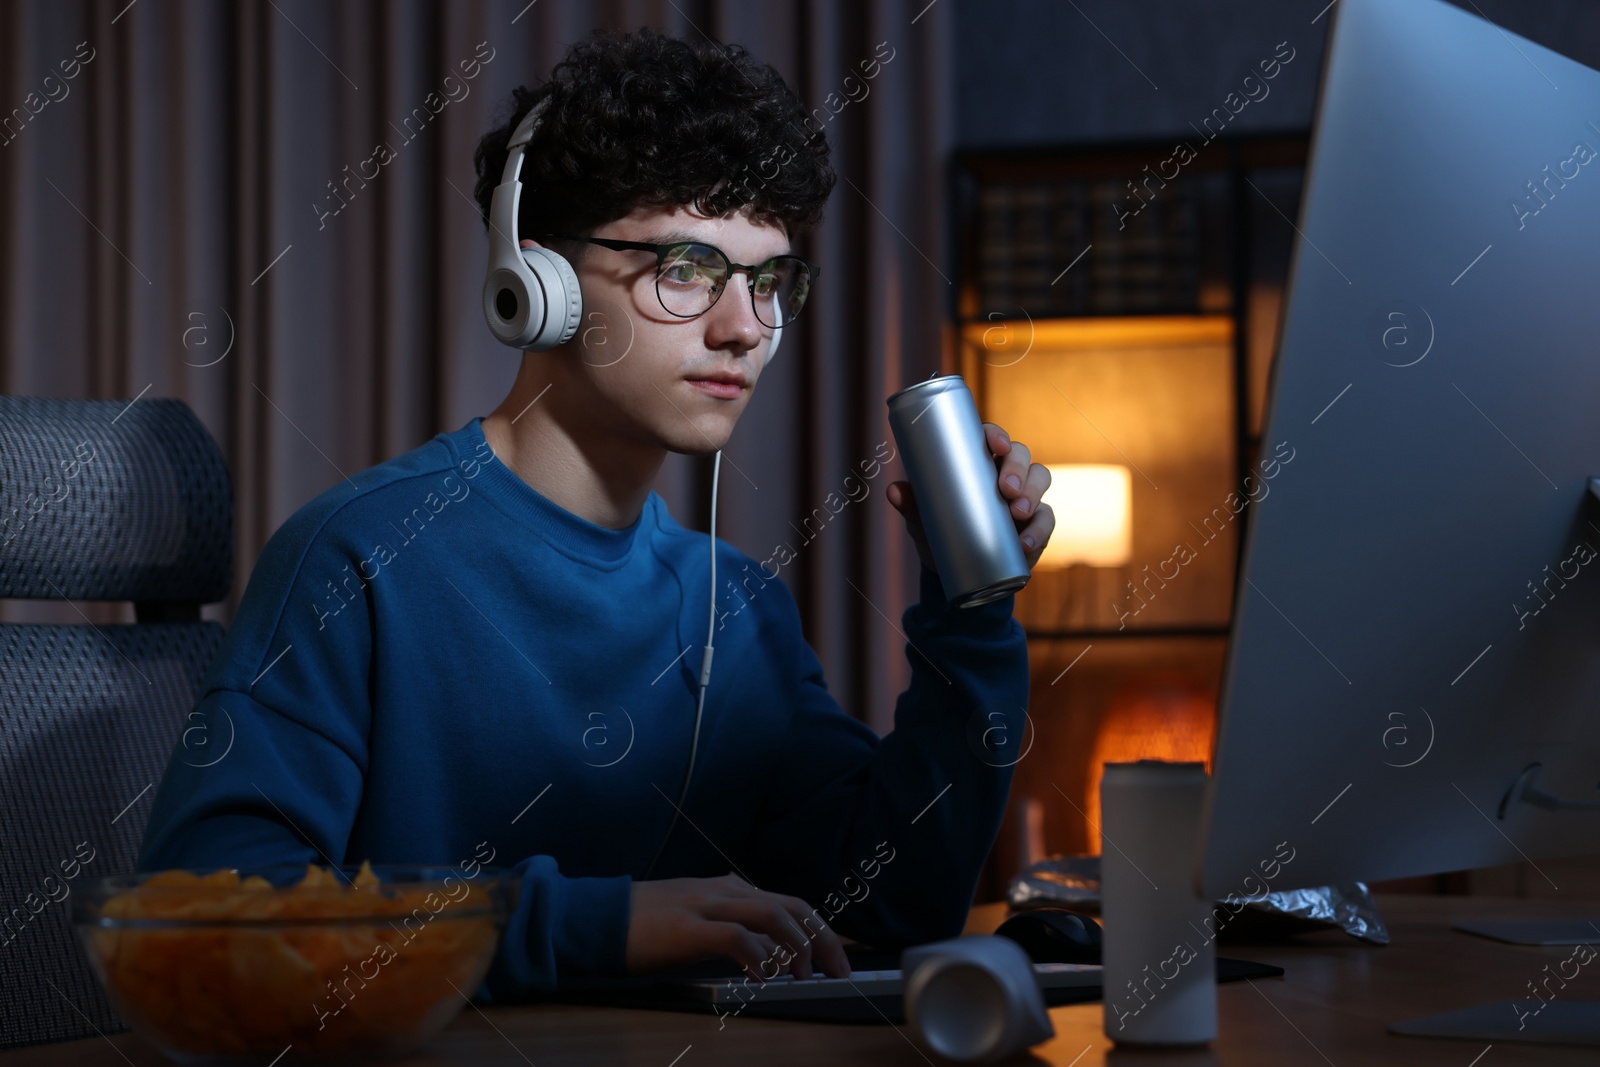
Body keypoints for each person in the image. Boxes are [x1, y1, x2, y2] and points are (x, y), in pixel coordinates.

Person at [138, 25, 1056, 999]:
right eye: (687, 270)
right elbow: (208, 913)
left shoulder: (733, 607)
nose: (743, 326)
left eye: (769, 279)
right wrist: (590, 922)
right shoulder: (358, 558)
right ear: (539, 289)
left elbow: (892, 904)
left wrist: (970, 611)